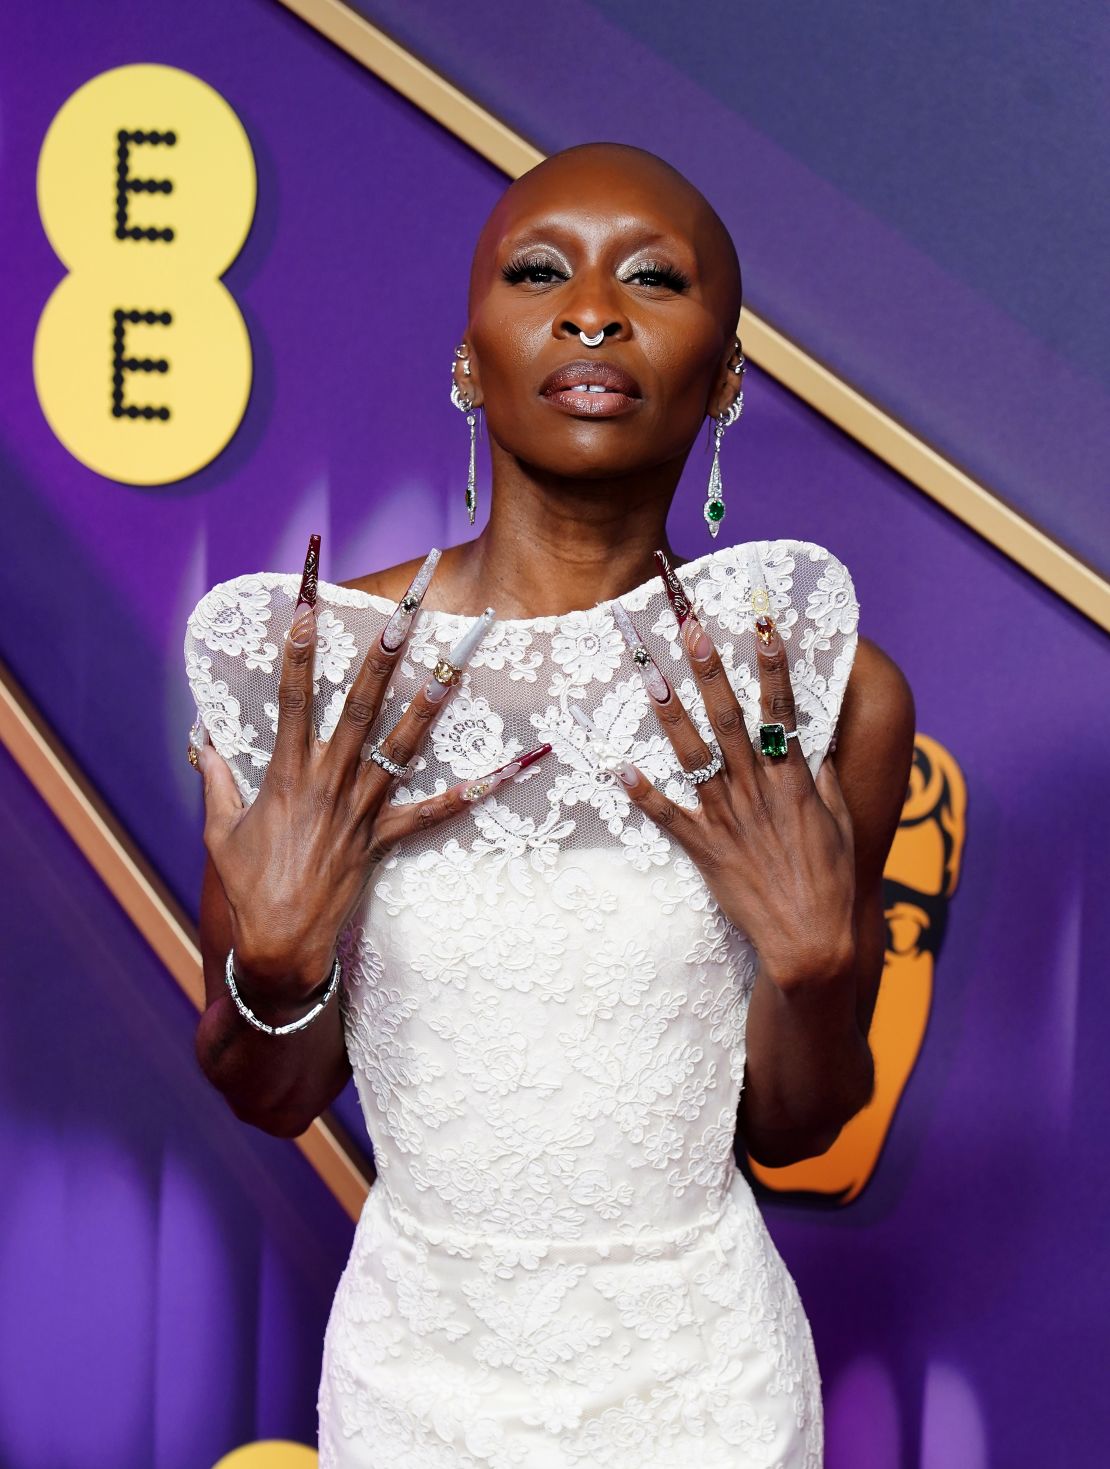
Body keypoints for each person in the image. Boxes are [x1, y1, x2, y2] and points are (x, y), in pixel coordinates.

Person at [183, 143, 915, 1467]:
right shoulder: (313, 680)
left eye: (651, 277)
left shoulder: (819, 693)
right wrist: (275, 962)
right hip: (418, 1390)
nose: (591, 309)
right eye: (539, 272)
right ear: (468, 361)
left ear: (728, 381)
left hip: (707, 1395)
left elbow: (794, 1122)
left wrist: (815, 968)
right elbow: (268, 1089)